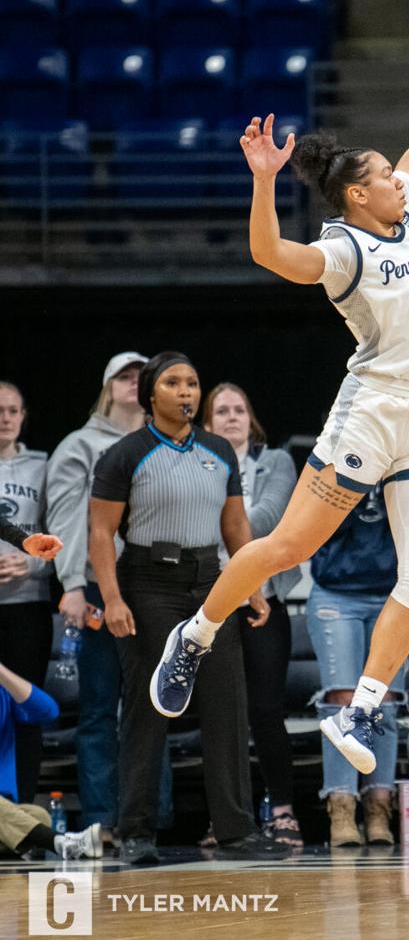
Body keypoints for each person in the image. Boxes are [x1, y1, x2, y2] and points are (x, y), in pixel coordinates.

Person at [153, 44, 409, 788]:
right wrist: (266, 182)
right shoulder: (340, 251)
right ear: (358, 198)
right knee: (284, 547)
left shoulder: (401, 209)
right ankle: (197, 633)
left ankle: (362, 707)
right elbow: (270, 253)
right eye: (383, 179)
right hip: (369, 416)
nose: (402, 182)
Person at [89, 352, 286, 864]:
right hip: (147, 583)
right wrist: (111, 598)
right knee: (149, 706)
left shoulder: (220, 451)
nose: (187, 393)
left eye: (193, 383)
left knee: (226, 702)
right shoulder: (123, 454)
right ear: (150, 394)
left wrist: (253, 585)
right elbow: (100, 533)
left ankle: (235, 831)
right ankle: (135, 830)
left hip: (209, 583)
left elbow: (236, 529)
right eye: (174, 383)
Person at [46, 351, 176, 834]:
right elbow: (65, 519)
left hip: (156, 588)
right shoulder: (79, 445)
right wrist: (73, 586)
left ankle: (151, 819)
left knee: (152, 703)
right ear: (107, 386)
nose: (132, 382)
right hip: (100, 590)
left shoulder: (167, 441)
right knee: (100, 707)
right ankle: (101, 819)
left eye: (140, 376)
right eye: (123, 375)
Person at [203, 383, 303, 846]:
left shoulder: (276, 461)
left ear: (251, 417)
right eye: (221, 410)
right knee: (223, 714)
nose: (231, 417)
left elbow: (269, 518)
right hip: (214, 606)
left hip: (266, 605)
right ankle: (226, 817)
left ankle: (283, 811)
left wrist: (220, 520)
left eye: (239, 409)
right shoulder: (198, 462)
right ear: (207, 422)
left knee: (266, 710)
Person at [306, 484, 408, 848]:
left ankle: (379, 808)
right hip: (335, 591)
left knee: (386, 702)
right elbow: (312, 526)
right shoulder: (333, 460)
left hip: (395, 591)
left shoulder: (407, 458)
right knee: (342, 700)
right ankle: (342, 808)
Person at [0, 381, 55, 806]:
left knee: (27, 707)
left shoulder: (43, 465)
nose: (5, 418)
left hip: (26, 604)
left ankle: (23, 811)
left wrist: (29, 560)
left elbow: (56, 536)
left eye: (12, 410)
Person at [0, 658, 103, 860]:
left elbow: (48, 711)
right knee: (25, 827)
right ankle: (60, 842)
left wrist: (3, 673)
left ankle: (50, 840)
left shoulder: (3, 694)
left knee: (38, 817)